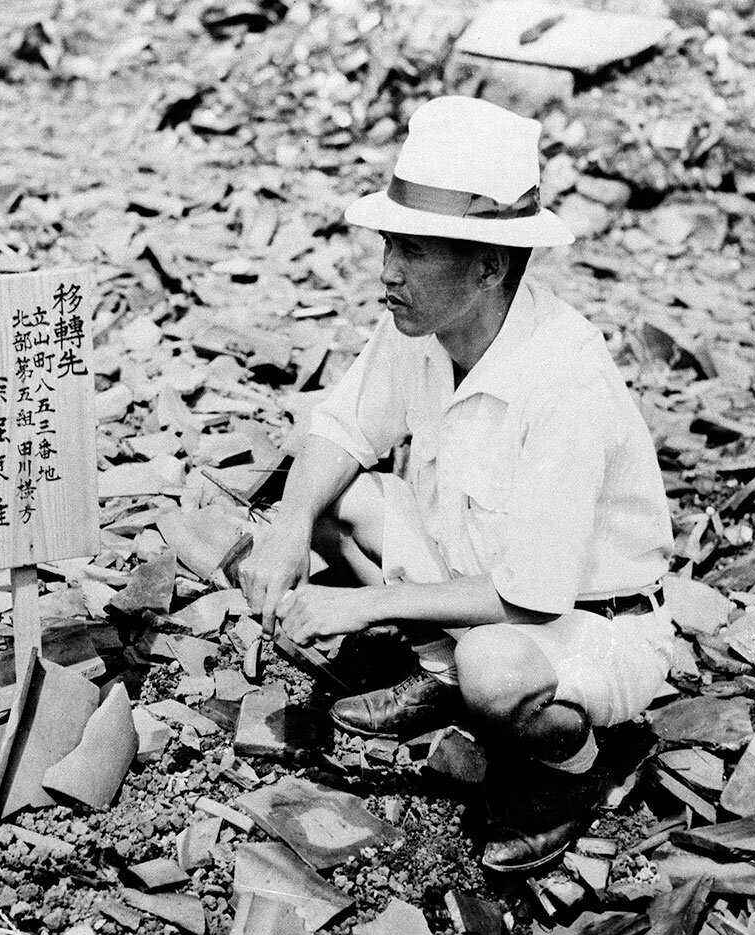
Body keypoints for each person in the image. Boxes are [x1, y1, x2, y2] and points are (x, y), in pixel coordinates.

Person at [239, 95, 675, 872]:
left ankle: (578, 771)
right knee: (330, 503)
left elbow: (531, 596)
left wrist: (359, 603)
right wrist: (284, 533)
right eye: (387, 246)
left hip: (588, 623)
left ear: (489, 264)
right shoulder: (423, 327)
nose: (386, 275)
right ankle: (441, 673)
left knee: (496, 669)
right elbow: (340, 428)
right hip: (466, 567)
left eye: (412, 251)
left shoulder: (563, 383)